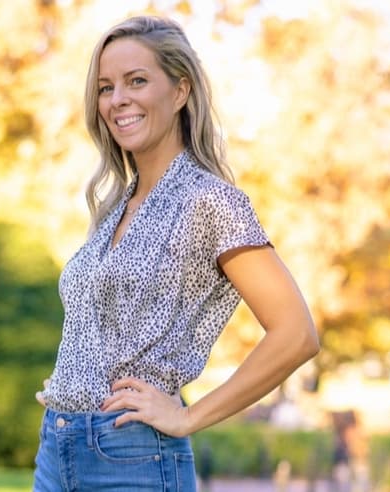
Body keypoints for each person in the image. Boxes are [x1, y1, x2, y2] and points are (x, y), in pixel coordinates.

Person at [33, 15, 319, 491]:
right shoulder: (113, 208)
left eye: (137, 81)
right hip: (57, 450)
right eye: (106, 87)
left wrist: (188, 416)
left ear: (181, 91)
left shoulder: (208, 201)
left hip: (132, 456)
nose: (118, 99)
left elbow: (296, 333)